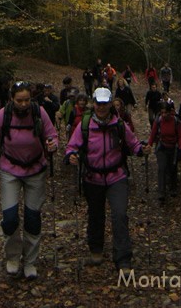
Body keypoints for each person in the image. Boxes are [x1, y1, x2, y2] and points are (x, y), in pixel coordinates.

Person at [65, 86, 150, 272]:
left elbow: (133, 144)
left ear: (110, 104)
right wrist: (71, 155)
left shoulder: (119, 124)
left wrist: (141, 150)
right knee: (95, 214)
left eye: (104, 103)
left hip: (116, 176)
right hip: (92, 177)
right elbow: (72, 146)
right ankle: (96, 250)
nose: (101, 107)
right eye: (98, 103)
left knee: (120, 214)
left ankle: (123, 258)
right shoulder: (85, 125)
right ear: (93, 103)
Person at [0, 80, 58, 279]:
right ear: (11, 99)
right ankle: (13, 257)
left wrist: (53, 145)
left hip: (36, 169)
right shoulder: (2, 116)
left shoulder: (39, 113)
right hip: (10, 170)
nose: (24, 104)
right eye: (19, 100)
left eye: (27, 100)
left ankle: (30, 261)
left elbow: (52, 135)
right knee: (9, 219)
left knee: (33, 218)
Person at [147, 100, 181, 204]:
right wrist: (149, 145)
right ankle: (161, 192)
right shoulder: (159, 120)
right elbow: (153, 133)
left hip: (173, 148)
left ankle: (173, 187)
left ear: (169, 112)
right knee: (162, 168)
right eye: (162, 113)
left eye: (165, 113)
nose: (163, 115)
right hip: (162, 147)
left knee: (172, 168)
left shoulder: (176, 121)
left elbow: (180, 136)